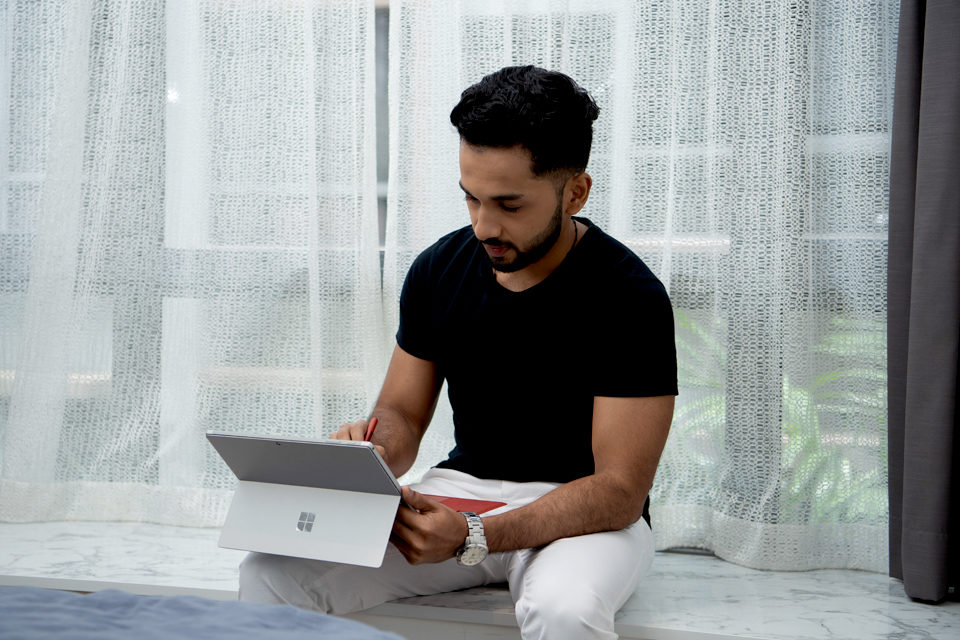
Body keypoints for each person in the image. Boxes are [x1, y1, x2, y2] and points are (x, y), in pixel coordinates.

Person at [239, 65, 677, 640]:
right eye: (471, 198)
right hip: (462, 491)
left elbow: (620, 491)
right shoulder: (437, 270)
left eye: (509, 204)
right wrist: (370, 450)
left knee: (564, 610)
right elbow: (401, 414)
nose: (482, 225)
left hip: (581, 516)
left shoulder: (629, 296)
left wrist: (475, 536)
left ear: (575, 191)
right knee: (270, 573)